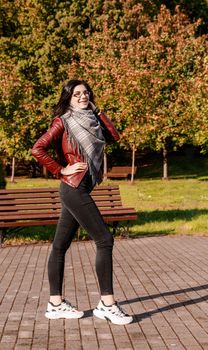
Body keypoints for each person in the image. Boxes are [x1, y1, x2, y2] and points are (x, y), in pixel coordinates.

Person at [32, 79, 133, 325]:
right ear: (68, 97)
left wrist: (99, 111)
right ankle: (107, 305)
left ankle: (55, 304)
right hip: (73, 188)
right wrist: (61, 169)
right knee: (105, 239)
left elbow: (114, 136)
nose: (82, 96)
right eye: (76, 94)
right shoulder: (63, 121)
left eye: (86, 92)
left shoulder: (93, 119)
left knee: (59, 246)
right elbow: (38, 149)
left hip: (80, 188)